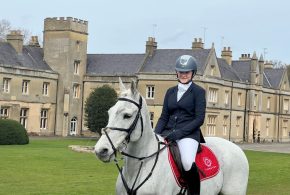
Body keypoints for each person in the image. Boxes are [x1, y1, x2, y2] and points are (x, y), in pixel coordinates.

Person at [154, 55, 206, 195]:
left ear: (193, 73)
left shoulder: (199, 92)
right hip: (167, 132)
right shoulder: (170, 91)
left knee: (188, 162)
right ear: (176, 73)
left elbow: (199, 119)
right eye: (181, 72)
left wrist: (180, 133)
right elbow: (164, 116)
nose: (183, 75)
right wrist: (155, 134)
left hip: (188, 135)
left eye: (187, 72)